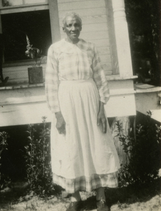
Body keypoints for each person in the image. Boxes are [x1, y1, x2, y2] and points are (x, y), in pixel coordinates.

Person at [45, 12, 120, 211]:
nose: (73, 28)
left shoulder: (90, 47)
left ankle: (101, 197)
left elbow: (100, 77)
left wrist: (101, 108)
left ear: (81, 26)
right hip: (66, 101)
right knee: (70, 147)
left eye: (76, 24)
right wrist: (58, 113)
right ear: (63, 28)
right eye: (69, 25)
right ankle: (75, 198)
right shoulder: (55, 49)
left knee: (96, 144)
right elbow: (51, 83)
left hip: (89, 99)